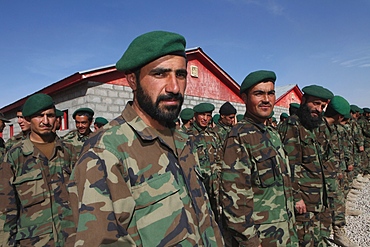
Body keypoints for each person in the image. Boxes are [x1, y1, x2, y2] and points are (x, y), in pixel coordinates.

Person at [68, 30, 224, 246]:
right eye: (160, 74)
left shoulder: (182, 140)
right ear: (132, 80)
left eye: (180, 74)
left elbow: (205, 218)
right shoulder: (105, 151)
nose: (174, 87)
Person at [221, 70, 298, 247]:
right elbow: (235, 200)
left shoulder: (272, 133)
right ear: (245, 98)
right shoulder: (239, 136)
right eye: (259, 93)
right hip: (262, 237)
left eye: (270, 93)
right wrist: (250, 241)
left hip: (284, 230)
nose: (266, 99)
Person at [0, 93, 77, 246]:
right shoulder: (15, 157)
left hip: (72, 238)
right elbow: (5, 211)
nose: (45, 121)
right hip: (34, 242)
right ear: (29, 119)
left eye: (50, 115)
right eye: (39, 116)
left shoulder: (70, 151)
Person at [278, 85, 333, 246]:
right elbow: (290, 167)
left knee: (318, 238)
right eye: (315, 103)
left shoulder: (315, 127)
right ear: (303, 101)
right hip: (303, 202)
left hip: (317, 199)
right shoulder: (293, 127)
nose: (318, 109)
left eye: (322, 106)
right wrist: (297, 198)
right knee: (304, 240)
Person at [317, 96, 358, 246]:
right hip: (321, 177)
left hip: (331, 172)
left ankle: (335, 233)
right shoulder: (319, 128)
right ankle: (327, 235)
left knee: (336, 202)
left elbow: (336, 151)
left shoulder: (331, 127)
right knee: (330, 204)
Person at [187, 102, 223, 225]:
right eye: (202, 115)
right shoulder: (188, 137)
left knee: (218, 217)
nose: (205, 119)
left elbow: (220, 158)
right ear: (195, 116)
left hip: (215, 185)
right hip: (200, 185)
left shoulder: (213, 135)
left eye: (208, 115)